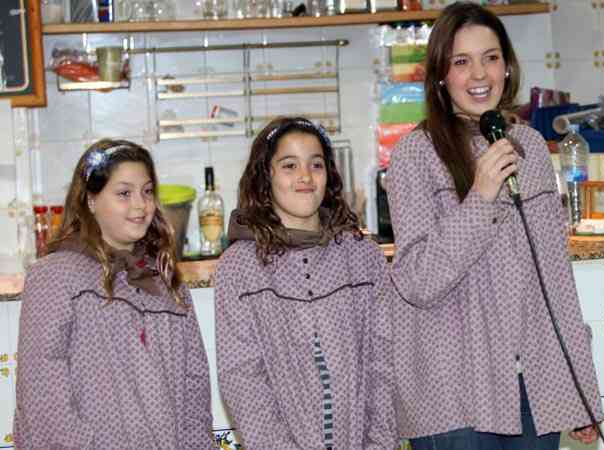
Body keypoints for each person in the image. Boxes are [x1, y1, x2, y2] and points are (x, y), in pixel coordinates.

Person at [385, 2, 602, 449]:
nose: (479, 74)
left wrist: (578, 385)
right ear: (441, 75)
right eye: (461, 62)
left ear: (507, 66)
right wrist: (481, 196)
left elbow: (555, 278)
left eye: (490, 57)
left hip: (534, 386)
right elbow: (418, 281)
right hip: (452, 394)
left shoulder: (529, 147)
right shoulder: (414, 155)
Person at [13, 139, 214, 449]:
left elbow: (194, 387)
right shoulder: (55, 276)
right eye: (124, 193)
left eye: (147, 191)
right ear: (91, 200)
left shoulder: (166, 281)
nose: (140, 205)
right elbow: (44, 401)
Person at [213, 117, 397, 449]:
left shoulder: (363, 257)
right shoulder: (239, 267)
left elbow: (384, 362)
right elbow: (242, 378)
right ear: (265, 176)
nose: (305, 177)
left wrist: (378, 444)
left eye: (316, 164)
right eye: (289, 165)